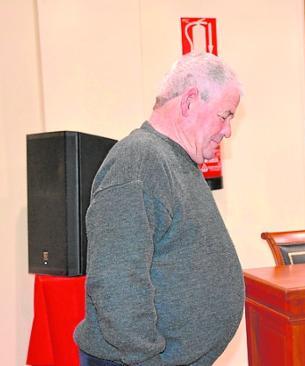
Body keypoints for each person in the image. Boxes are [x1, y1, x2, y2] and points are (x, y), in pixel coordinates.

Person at [74, 52, 244, 365]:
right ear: (190, 101)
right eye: (225, 115)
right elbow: (117, 284)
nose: (228, 130)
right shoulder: (138, 161)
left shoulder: (173, 158)